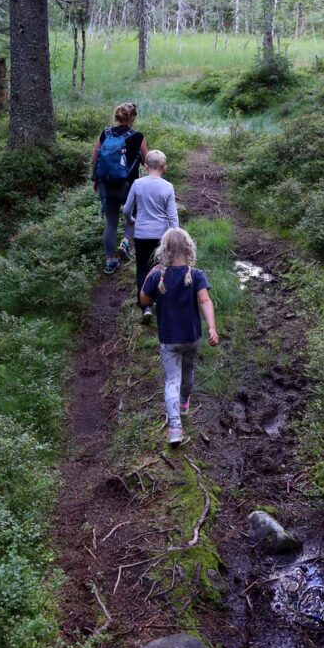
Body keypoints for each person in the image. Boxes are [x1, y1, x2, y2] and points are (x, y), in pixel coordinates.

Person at [140, 228, 219, 446]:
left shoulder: (157, 275)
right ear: (188, 249)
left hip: (169, 340)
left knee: (172, 380)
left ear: (163, 251)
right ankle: (184, 404)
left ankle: (175, 427)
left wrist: (148, 275)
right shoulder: (196, 274)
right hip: (191, 337)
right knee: (188, 369)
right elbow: (205, 301)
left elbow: (144, 300)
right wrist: (212, 328)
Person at [123, 149, 179, 325]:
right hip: (161, 236)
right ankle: (162, 302)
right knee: (162, 268)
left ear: (145, 166)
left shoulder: (137, 184)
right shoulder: (168, 187)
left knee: (142, 270)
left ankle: (145, 306)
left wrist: (132, 220)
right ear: (165, 168)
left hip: (141, 234)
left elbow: (126, 209)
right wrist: (174, 235)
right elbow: (173, 217)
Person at [92, 103, 148, 274]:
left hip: (106, 185)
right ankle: (125, 241)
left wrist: (96, 180)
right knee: (134, 213)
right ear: (132, 118)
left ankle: (110, 261)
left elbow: (95, 157)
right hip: (128, 186)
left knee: (110, 223)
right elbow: (147, 160)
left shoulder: (105, 133)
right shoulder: (137, 136)